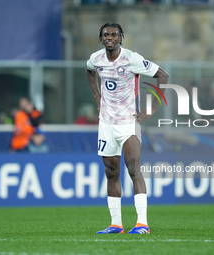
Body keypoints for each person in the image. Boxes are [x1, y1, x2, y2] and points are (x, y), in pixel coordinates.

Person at [86, 23, 169, 234]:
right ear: (101, 38)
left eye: (114, 34)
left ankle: (142, 223)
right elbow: (88, 70)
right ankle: (116, 224)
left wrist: (153, 106)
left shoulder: (131, 58)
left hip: (128, 122)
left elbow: (163, 75)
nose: (109, 38)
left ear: (121, 37)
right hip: (106, 123)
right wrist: (97, 95)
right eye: (105, 35)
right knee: (111, 172)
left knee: (133, 170)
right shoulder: (96, 59)